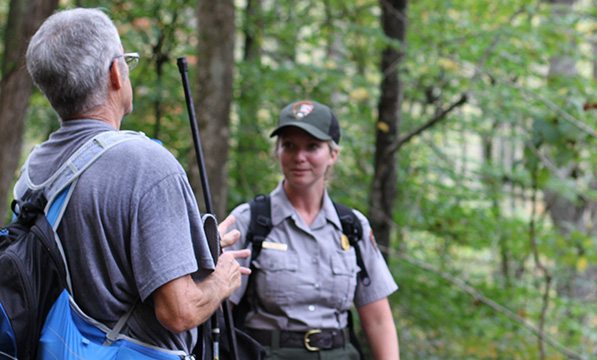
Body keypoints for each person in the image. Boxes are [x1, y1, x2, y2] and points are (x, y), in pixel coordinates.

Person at [19, 7, 250, 355]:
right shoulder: (146, 164)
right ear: (116, 72)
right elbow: (178, 311)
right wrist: (222, 279)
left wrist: (184, 246)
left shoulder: (35, 170)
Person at [224, 100, 400, 359]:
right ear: (277, 151)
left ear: (333, 155)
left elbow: (378, 321)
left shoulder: (353, 227)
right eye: (289, 145)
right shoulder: (249, 222)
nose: (299, 157)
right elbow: (218, 312)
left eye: (313, 147)